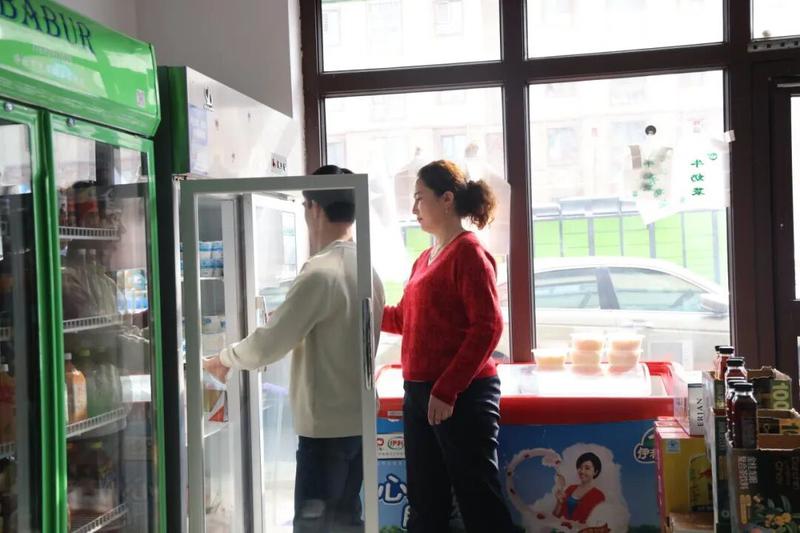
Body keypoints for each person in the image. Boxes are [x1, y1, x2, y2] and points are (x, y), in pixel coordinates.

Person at [203, 165, 384, 532]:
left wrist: (223, 359)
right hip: (359, 422)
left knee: (315, 527)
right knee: (347, 521)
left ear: (313, 208)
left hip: (326, 432)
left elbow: (268, 345)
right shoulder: (366, 267)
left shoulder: (321, 273)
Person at [381, 160, 515, 533]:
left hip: (461, 395)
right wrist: (365, 308)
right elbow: (404, 320)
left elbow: (488, 326)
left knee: (478, 500)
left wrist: (447, 389)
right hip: (420, 393)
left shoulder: (469, 253)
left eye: (419, 198)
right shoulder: (424, 258)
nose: (413, 208)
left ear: (446, 199)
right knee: (426, 501)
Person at [553, 452, 606, 524]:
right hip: (560, 528)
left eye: (587, 468)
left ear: (595, 472)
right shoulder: (570, 489)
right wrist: (559, 502)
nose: (582, 471)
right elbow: (555, 516)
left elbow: (597, 524)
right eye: (580, 468)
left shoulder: (599, 496)